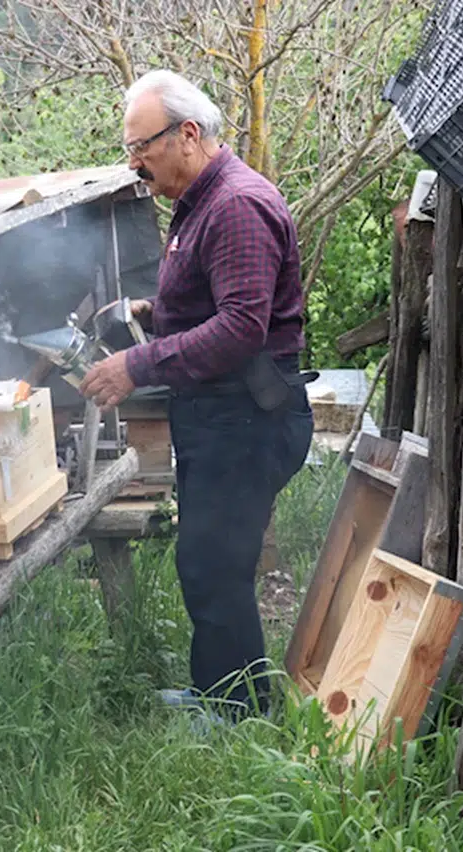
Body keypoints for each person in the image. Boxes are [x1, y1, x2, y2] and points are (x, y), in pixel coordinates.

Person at [79, 69, 315, 717]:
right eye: (128, 147)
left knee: (217, 566)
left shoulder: (235, 205)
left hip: (247, 420)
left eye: (141, 146)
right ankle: (220, 694)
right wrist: (152, 311)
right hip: (224, 417)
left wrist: (139, 363)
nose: (134, 161)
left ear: (187, 134)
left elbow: (242, 328)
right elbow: (218, 300)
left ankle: (235, 713)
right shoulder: (203, 202)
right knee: (209, 560)